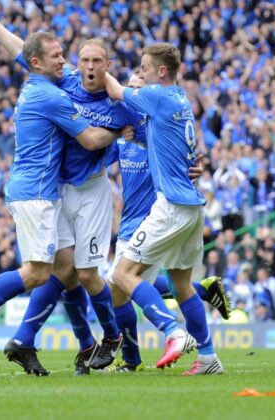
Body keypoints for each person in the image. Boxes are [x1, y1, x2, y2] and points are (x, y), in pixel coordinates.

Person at [0, 0, 131, 376]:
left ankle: (111, 338)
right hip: (57, 190)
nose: (85, 66)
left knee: (84, 273)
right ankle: (67, 344)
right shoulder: (63, 81)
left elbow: (146, 120)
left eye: (96, 61)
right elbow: (26, 54)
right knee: (62, 269)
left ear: (107, 66)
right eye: (82, 59)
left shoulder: (118, 99)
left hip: (91, 189)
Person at [104, 44, 223, 375]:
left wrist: (94, 68)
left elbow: (114, 89)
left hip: (170, 204)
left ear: (161, 72)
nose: (140, 73)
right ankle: (209, 357)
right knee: (180, 286)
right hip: (191, 205)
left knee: (122, 274)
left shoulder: (157, 96)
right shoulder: (181, 97)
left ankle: (173, 331)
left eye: (144, 68)